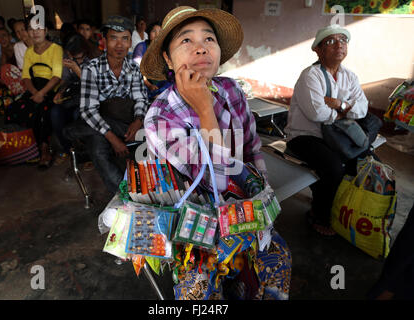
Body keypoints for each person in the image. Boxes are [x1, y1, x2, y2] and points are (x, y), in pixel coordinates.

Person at [141, 6, 290, 300]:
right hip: (193, 228)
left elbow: (252, 149)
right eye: (186, 41)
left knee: (277, 258)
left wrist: (262, 197)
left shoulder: (232, 90)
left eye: (209, 39)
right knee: (198, 288)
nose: (201, 48)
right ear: (168, 60)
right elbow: (215, 182)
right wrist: (204, 109)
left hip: (244, 212)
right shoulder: (160, 116)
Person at [284, 25, 370, 237]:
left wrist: (340, 105)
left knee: (364, 159)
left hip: (336, 136)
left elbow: (363, 108)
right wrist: (347, 111)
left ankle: (343, 209)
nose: (339, 44)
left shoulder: (350, 77)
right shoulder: (310, 76)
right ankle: (318, 214)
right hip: (305, 136)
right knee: (333, 167)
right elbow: (317, 114)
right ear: (318, 50)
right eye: (331, 41)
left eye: (343, 40)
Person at [64, 15, 149, 195]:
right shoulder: (91, 69)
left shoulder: (134, 69)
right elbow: (88, 110)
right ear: (104, 40)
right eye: (113, 38)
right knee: (99, 147)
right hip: (101, 124)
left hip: (123, 123)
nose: (119, 45)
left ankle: (136, 190)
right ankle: (124, 196)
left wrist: (138, 120)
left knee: (141, 141)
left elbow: (141, 99)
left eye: (125, 38)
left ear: (130, 42)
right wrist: (113, 138)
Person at [19, 17, 63, 169]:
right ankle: (27, 148)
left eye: (39, 28)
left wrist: (41, 93)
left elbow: (57, 76)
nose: (35, 32)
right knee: (19, 108)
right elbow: (26, 76)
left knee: (42, 110)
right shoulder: (29, 52)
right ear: (28, 32)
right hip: (34, 88)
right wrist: (34, 93)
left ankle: (44, 149)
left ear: (45, 31)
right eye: (31, 29)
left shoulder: (56, 49)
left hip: (51, 88)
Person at [51, 33, 93, 165]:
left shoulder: (94, 58)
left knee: (78, 115)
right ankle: (69, 150)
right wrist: (60, 92)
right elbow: (66, 79)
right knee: (55, 113)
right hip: (72, 96)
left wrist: (76, 68)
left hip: (89, 97)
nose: (77, 61)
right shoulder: (67, 57)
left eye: (80, 58)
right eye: (74, 57)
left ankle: (86, 153)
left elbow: (93, 84)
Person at [133, 21, 170, 100]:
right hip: (145, 83)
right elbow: (137, 70)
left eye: (160, 32)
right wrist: (149, 85)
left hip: (162, 83)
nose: (157, 35)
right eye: (154, 31)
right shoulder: (141, 47)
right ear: (149, 33)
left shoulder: (165, 48)